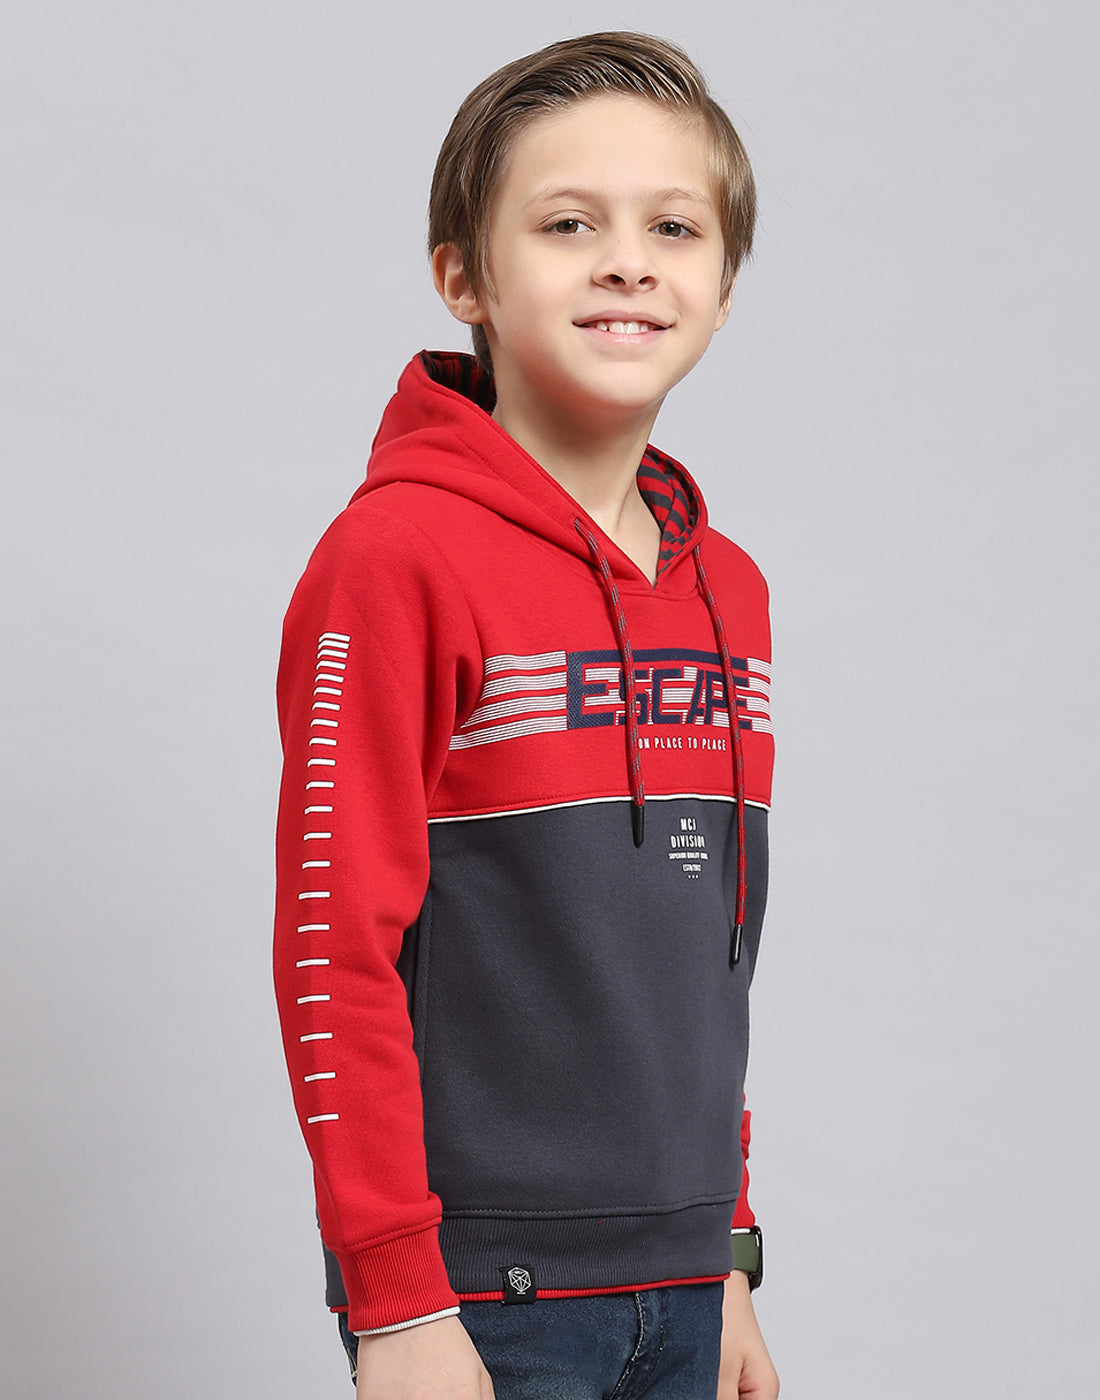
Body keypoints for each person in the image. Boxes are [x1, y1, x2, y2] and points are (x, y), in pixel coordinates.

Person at [274, 31, 779, 1400]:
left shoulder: (728, 591)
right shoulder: (396, 558)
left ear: (725, 283)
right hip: (483, 1300)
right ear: (465, 279)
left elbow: (710, 960)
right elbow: (331, 946)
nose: (628, 263)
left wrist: (728, 1253)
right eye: (568, 224)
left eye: (674, 227)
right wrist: (396, 1299)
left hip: (686, 1283)